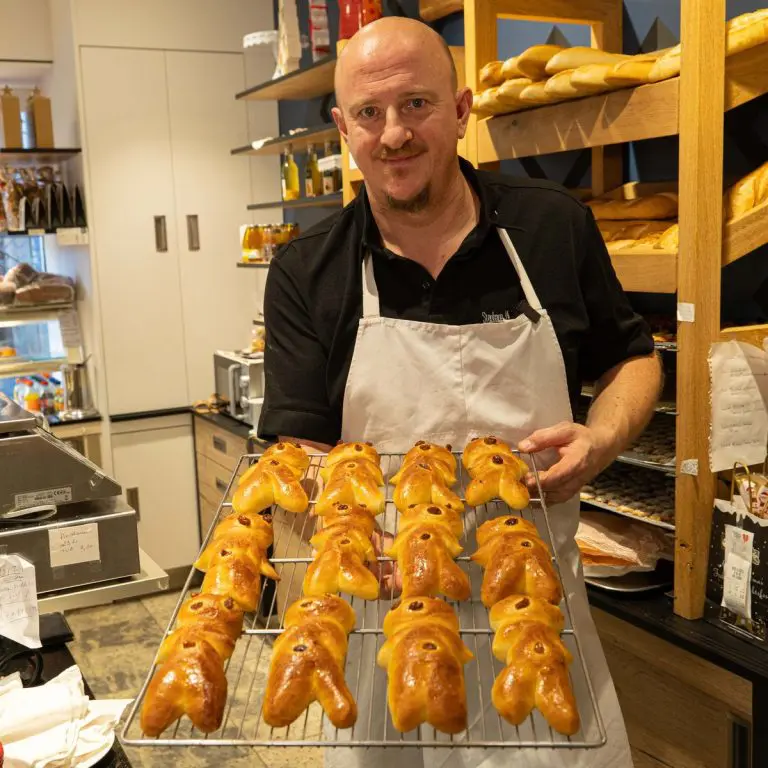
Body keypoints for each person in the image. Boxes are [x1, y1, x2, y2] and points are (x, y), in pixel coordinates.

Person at [258, 15, 661, 768]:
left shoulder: (552, 227)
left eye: (416, 105)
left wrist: (599, 441)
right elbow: (302, 448)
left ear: (462, 108)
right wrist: (346, 531)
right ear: (343, 126)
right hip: (390, 621)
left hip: (542, 620)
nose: (394, 135)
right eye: (370, 115)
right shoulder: (308, 271)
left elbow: (633, 361)